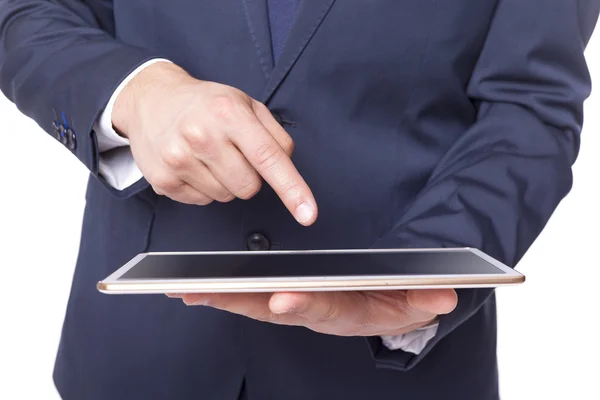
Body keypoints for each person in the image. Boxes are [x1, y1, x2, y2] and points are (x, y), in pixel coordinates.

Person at [1, 1, 598, 399]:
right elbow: (27, 13)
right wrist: (133, 93)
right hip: (139, 362)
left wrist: (415, 274)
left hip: (393, 371)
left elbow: (529, 105)